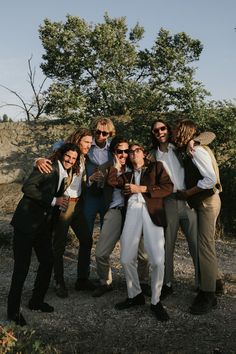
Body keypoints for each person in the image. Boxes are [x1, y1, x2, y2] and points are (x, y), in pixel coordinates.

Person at [7, 143, 80, 326]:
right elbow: (28, 188)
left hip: (42, 227)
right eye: (68, 156)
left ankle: (36, 301)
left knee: (48, 261)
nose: (70, 160)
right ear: (61, 154)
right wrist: (55, 200)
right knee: (21, 268)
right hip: (25, 225)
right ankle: (12, 312)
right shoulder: (48, 166)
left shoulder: (66, 173)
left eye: (74, 158)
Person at [149, 119, 213, 299]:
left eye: (163, 128)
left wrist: (196, 141)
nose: (160, 132)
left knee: (196, 243)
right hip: (168, 201)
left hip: (188, 199)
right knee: (167, 244)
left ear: (168, 130)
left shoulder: (181, 147)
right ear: (153, 135)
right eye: (156, 131)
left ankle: (203, 283)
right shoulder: (152, 156)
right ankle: (167, 283)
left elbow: (210, 135)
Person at [114, 143, 173, 322]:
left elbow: (168, 188)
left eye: (136, 150)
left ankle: (155, 301)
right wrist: (116, 166)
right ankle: (135, 295)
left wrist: (142, 189)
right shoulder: (126, 174)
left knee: (156, 260)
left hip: (152, 212)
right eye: (130, 152)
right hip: (132, 211)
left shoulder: (156, 167)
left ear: (144, 153)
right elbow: (111, 182)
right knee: (125, 258)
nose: (133, 153)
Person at [36, 128, 93, 296]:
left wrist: (90, 180)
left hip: (78, 204)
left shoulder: (83, 157)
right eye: (86, 142)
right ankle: (58, 281)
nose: (89, 145)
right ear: (78, 140)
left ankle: (82, 280)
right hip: (65, 203)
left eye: (91, 143)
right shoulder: (65, 153)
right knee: (59, 245)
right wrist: (37, 159)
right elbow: (48, 159)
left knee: (86, 240)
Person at [174, 119, 222, 315]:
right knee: (205, 245)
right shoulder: (190, 148)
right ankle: (215, 283)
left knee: (205, 247)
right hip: (204, 202)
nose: (174, 133)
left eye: (176, 130)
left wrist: (187, 193)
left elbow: (210, 179)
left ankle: (207, 294)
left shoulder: (196, 151)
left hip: (207, 202)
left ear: (184, 132)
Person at [93, 136, 150, 297]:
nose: (124, 154)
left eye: (126, 151)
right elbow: (100, 188)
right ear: (113, 152)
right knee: (101, 253)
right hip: (115, 211)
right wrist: (113, 169)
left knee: (143, 254)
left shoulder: (137, 166)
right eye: (120, 151)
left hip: (136, 211)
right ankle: (105, 282)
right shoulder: (105, 167)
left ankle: (142, 281)